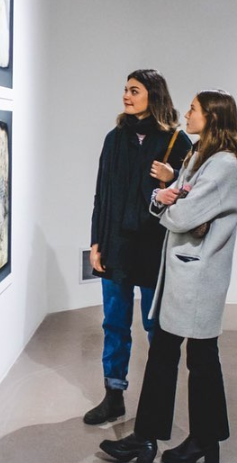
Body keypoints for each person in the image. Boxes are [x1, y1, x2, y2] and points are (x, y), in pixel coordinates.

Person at [99, 89, 237, 463]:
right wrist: (163, 199)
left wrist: (168, 203)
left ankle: (196, 441)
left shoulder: (224, 165)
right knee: (170, 355)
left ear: (212, 117)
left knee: (199, 359)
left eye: (194, 109)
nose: (187, 114)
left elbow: (180, 215)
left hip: (199, 278)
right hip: (184, 274)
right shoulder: (199, 156)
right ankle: (157, 439)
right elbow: (171, 200)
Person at [87, 69, 192, 425]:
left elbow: (194, 195)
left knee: (155, 327)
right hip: (116, 246)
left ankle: (154, 403)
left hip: (155, 249)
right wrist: (96, 243)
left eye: (134, 90)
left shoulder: (177, 141)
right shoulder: (114, 139)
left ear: (153, 95)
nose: (126, 96)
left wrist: (173, 177)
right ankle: (113, 395)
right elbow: (102, 195)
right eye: (126, 90)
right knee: (114, 323)